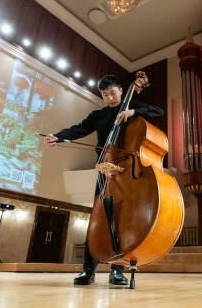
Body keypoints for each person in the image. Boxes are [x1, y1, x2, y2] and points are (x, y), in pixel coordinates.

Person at [44, 75, 164, 286]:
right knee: (97, 217)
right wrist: (59, 136)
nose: (109, 98)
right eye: (104, 94)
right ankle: (88, 270)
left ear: (120, 90)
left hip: (125, 170)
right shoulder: (98, 115)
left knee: (121, 218)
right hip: (104, 169)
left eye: (113, 93)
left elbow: (158, 112)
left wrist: (133, 112)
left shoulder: (132, 105)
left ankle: (117, 269)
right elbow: (79, 129)